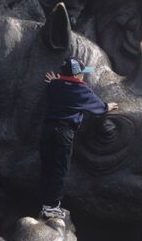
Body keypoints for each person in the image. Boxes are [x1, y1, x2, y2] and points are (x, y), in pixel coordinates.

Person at [39, 57, 118, 218]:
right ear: (77, 76)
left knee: (47, 167)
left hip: (47, 130)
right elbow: (100, 109)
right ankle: (51, 207)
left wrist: (56, 81)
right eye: (82, 74)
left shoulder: (54, 85)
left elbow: (57, 84)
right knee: (60, 169)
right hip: (64, 132)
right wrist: (109, 106)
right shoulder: (81, 90)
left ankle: (45, 203)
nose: (84, 76)